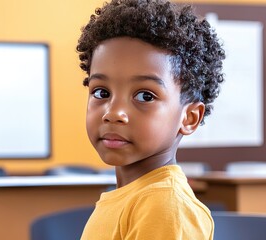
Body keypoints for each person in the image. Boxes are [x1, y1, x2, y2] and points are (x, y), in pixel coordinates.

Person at [77, 0, 225, 239]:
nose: (113, 113)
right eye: (101, 92)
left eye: (145, 96)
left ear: (189, 117)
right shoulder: (132, 197)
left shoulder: (165, 205)